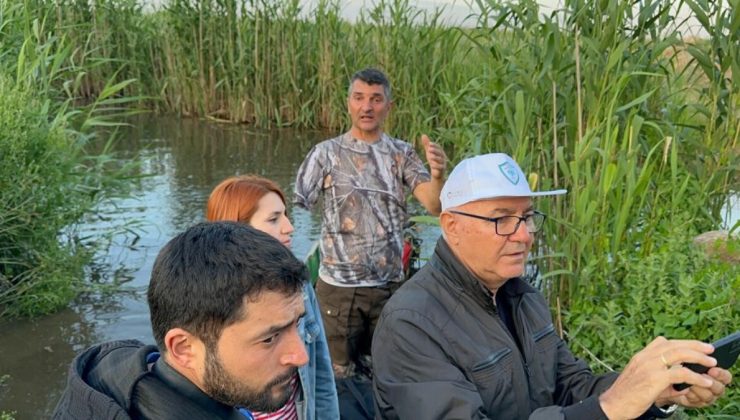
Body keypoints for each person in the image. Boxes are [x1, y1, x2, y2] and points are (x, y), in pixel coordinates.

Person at [371, 153, 732, 419]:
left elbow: (571, 387)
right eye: (501, 219)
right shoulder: (411, 324)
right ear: (450, 225)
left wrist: (653, 393)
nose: (524, 235)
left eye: (526, 216)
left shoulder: (521, 296)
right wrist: (609, 407)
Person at [53, 222, 311, 419]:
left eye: (296, 324)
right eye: (269, 338)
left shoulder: (119, 376)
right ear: (183, 348)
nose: (300, 356)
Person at [294, 68, 447, 377]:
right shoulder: (325, 153)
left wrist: (438, 174)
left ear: (388, 106)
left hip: (388, 287)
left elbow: (434, 205)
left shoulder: (401, 153)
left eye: (376, 99)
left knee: (386, 371)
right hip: (338, 290)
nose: (367, 107)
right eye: (359, 98)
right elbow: (298, 208)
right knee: (337, 375)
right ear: (348, 103)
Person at [206, 175, 339, 419]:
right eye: (274, 219)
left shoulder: (296, 286)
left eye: (285, 215)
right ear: (238, 230)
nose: (289, 227)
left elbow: (320, 372)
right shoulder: (206, 301)